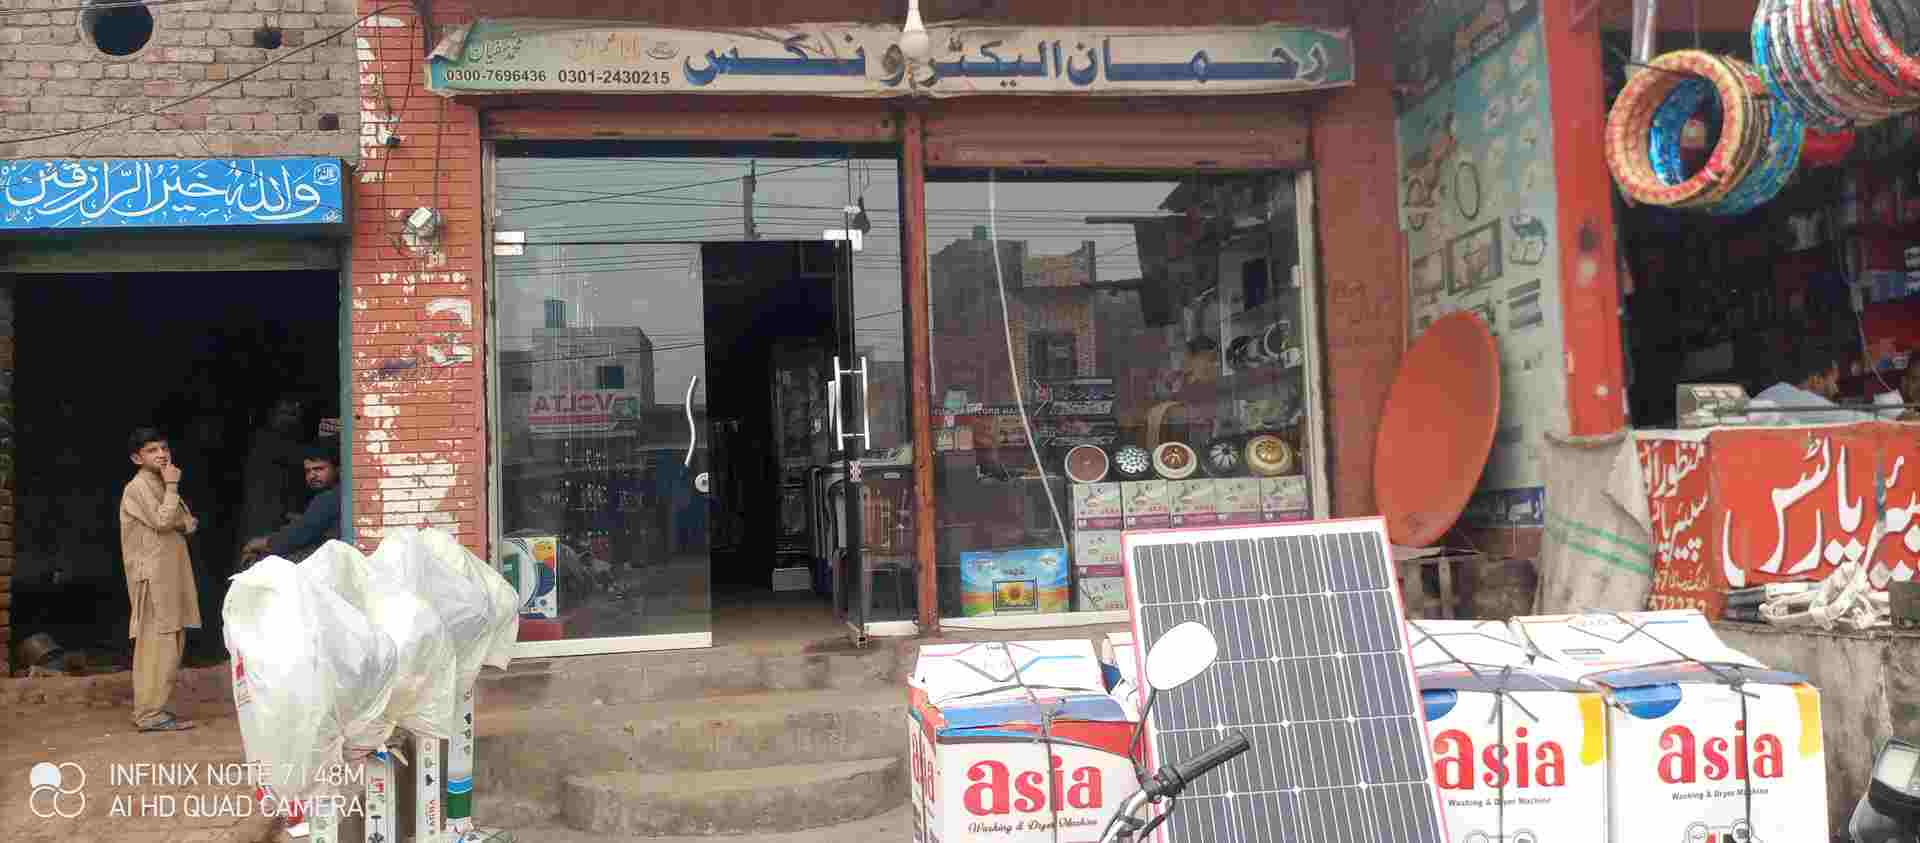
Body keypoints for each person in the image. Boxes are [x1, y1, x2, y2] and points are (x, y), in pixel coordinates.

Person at [120, 427, 201, 732]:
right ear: (136, 458)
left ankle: (154, 710)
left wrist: (174, 503)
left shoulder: (159, 483)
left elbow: (188, 523)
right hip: (153, 578)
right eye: (152, 450)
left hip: (169, 575)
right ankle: (149, 713)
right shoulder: (138, 487)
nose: (162, 455)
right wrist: (172, 486)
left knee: (170, 640)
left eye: (164, 448)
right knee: (157, 642)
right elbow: (165, 520)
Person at [242, 445, 341, 564]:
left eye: (319, 469)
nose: (312, 475)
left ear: (338, 469)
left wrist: (264, 543)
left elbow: (299, 534)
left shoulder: (332, 496)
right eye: (308, 471)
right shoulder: (335, 494)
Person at [240, 398, 307, 551]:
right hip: (265, 512)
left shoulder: (287, 441)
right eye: (285, 413)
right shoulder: (268, 440)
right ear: (272, 415)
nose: (290, 419)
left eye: (294, 414)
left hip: (278, 511)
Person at [1751, 351, 1874, 426]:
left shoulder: (1775, 392)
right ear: (1816, 380)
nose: (1836, 389)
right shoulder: (1801, 400)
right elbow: (1852, 419)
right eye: (1833, 381)